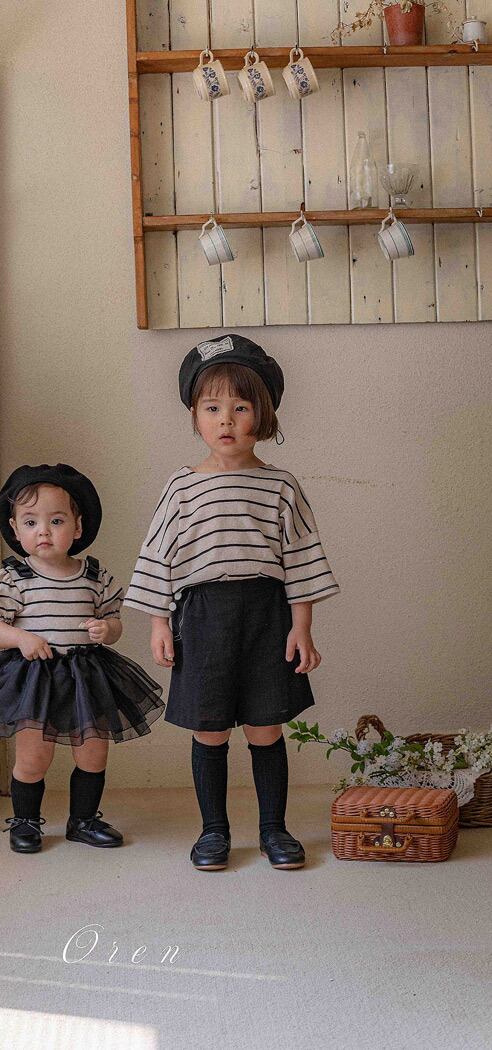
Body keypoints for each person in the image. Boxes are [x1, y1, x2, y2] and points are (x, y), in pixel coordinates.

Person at [124, 335, 339, 872]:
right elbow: (157, 556)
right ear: (195, 416)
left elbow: (301, 559)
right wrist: (159, 625)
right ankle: (213, 831)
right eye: (212, 408)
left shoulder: (282, 486)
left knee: (266, 727)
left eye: (241, 408)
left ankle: (274, 829)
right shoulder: (181, 487)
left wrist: (302, 628)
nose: (226, 420)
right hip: (201, 618)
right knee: (210, 728)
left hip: (267, 616)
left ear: (263, 415)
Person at [0, 463, 164, 854]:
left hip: (86, 676)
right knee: (34, 756)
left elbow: (113, 620)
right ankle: (26, 821)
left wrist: (106, 630)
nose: (43, 531)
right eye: (31, 522)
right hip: (35, 677)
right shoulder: (13, 577)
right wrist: (20, 638)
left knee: (93, 752)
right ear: (15, 529)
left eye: (56, 521)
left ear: (78, 528)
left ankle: (83, 820)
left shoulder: (94, 575)